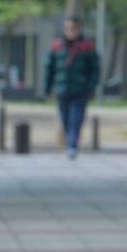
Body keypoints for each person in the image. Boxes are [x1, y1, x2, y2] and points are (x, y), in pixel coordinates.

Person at [43, 16, 100, 160]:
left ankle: (72, 146)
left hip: (80, 90)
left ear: (79, 29)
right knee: (66, 120)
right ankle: (71, 142)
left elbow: (95, 69)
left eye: (73, 28)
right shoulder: (57, 46)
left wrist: (90, 86)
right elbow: (49, 69)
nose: (71, 31)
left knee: (76, 119)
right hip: (62, 90)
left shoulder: (87, 46)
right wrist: (47, 89)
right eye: (68, 28)